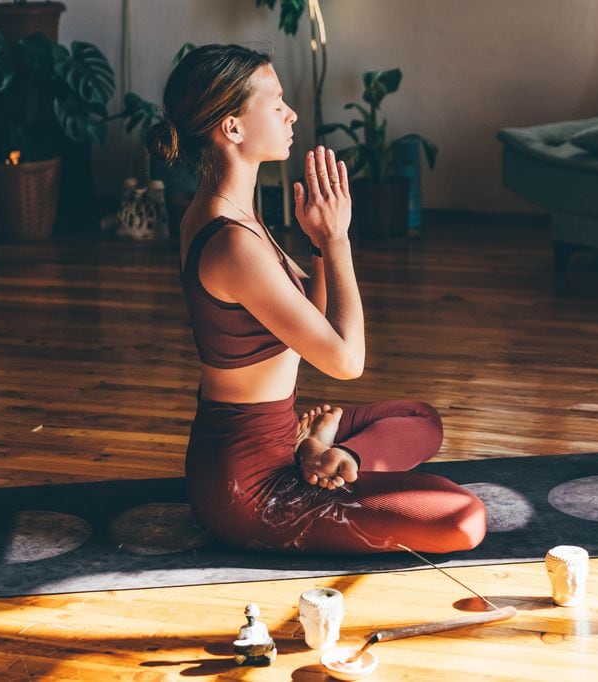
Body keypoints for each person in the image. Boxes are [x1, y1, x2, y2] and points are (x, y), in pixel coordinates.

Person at [146, 44, 486, 554]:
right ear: (232, 127)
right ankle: (320, 455)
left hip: (280, 432)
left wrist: (317, 243)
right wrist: (338, 241)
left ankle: (322, 451)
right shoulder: (232, 241)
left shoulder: (232, 215)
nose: (292, 113)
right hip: (248, 488)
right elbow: (346, 361)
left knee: (421, 419)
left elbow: (314, 321)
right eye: (276, 101)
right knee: (463, 518)